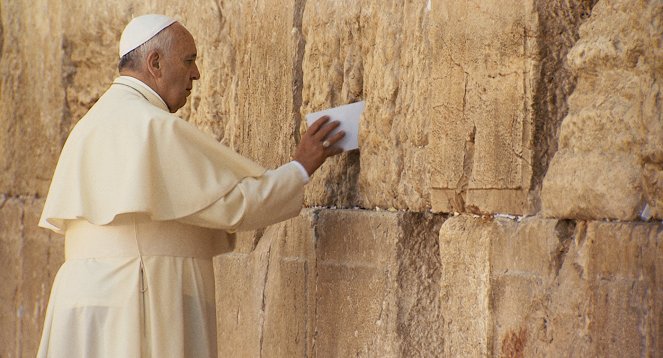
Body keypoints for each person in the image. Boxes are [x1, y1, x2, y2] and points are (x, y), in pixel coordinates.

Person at [37, 14, 344, 357]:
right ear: (155, 63)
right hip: (138, 296)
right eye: (189, 60)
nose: (196, 73)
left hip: (81, 304)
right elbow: (234, 205)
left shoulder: (88, 125)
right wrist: (301, 167)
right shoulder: (150, 126)